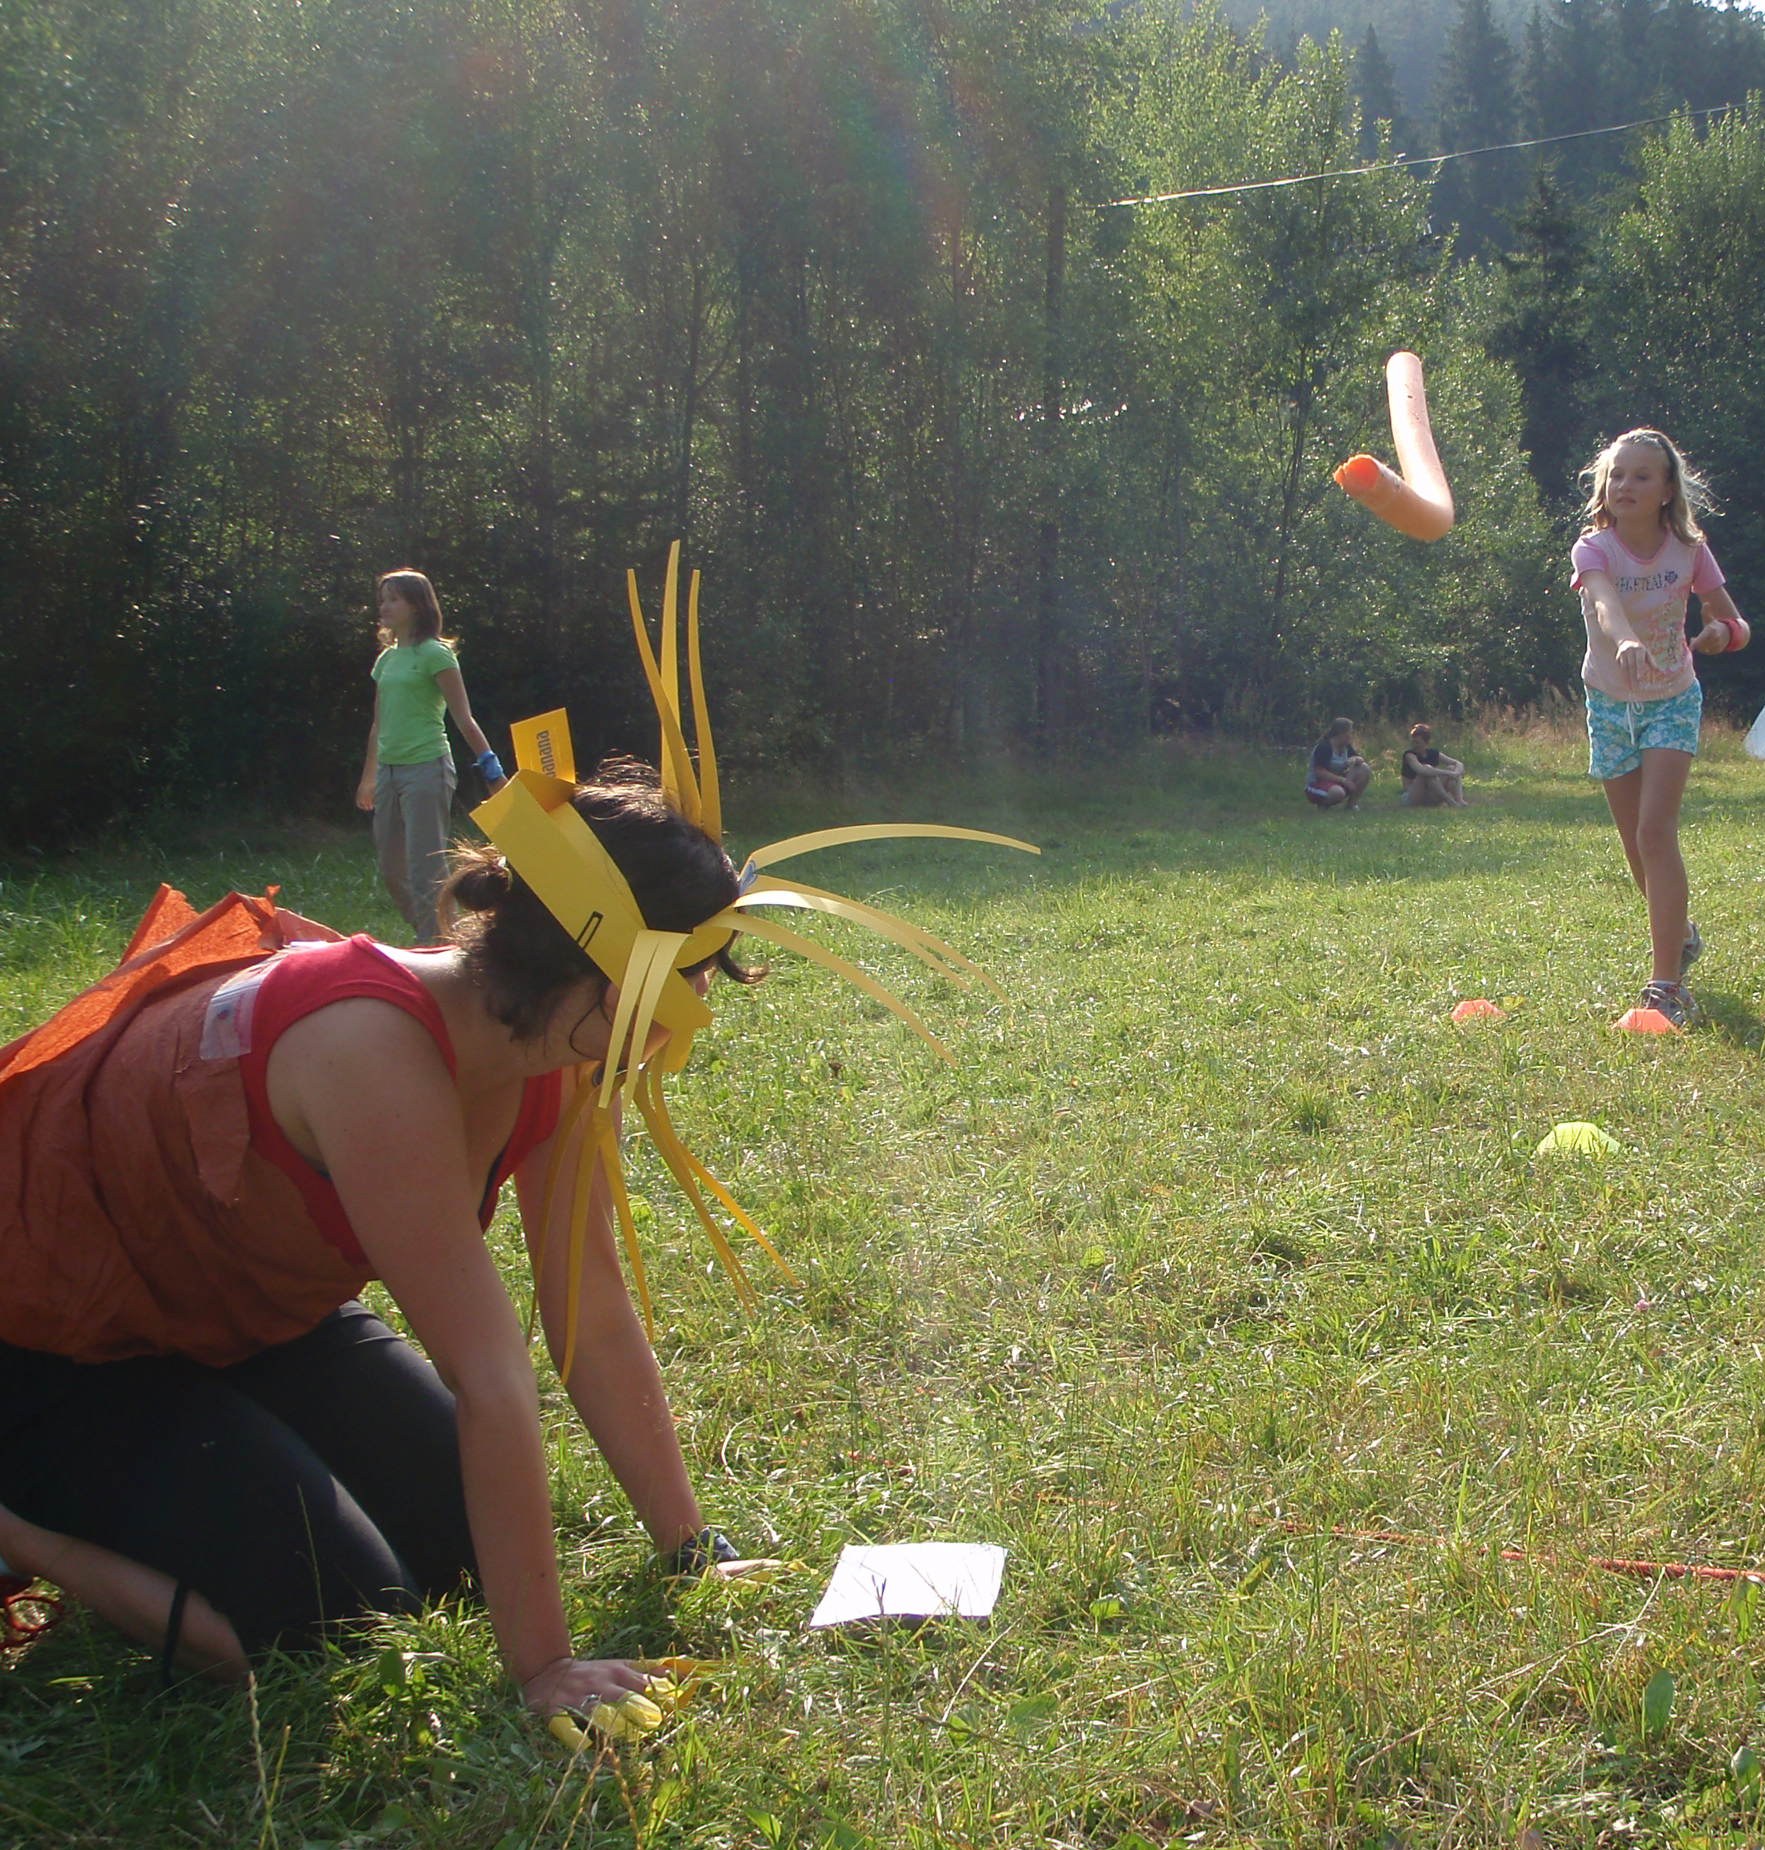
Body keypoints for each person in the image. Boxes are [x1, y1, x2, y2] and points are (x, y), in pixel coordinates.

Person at [0, 553, 1026, 1746]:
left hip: (252, 1318)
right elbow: (493, 1375)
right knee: (325, 1618)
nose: (693, 1016)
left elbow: (588, 1310)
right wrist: (542, 1668)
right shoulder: (364, 1048)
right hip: (64, 1343)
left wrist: (693, 1549)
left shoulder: (561, 1050)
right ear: (601, 967)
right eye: (687, 981)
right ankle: (18, 1524)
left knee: (454, 1554)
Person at [1570, 428, 1748, 1032]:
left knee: (1654, 831)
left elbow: (1733, 620)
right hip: (1609, 703)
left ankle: (1667, 986)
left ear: (1667, 489)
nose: (1625, 485)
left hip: (1671, 698)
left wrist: (1722, 633)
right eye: (1617, 475)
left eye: (1641, 476)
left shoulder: (1688, 551)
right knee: (1634, 845)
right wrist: (1624, 641)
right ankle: (1682, 935)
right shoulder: (1593, 549)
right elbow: (1603, 604)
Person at [359, 571, 506, 945]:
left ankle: (434, 946)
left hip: (427, 769)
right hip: (388, 772)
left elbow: (464, 718)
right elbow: (378, 723)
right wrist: (369, 777)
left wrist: (492, 770)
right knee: (392, 868)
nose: (384, 606)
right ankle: (444, 936)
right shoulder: (386, 660)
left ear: (416, 605)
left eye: (394, 599)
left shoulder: (436, 654)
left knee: (426, 867)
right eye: (383, 599)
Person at [1305, 719, 1371, 808]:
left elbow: (1360, 759)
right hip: (1317, 784)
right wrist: (1344, 781)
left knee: (1364, 768)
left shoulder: (1346, 746)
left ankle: (1351, 805)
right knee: (1338, 793)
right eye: (1350, 732)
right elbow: (1320, 772)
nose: (1351, 736)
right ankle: (1323, 804)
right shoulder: (1324, 747)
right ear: (1341, 733)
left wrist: (1354, 759)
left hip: (1337, 782)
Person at [1398, 723, 1467, 806]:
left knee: (1452, 768)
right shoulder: (1409, 755)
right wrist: (1448, 773)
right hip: (1412, 796)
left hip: (1429, 793)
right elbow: (1422, 770)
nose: (1414, 745)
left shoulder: (1433, 753)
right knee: (1428, 771)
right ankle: (1450, 801)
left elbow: (1458, 763)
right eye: (1413, 742)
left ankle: (1459, 799)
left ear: (1426, 742)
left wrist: (1456, 772)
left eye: (1417, 742)